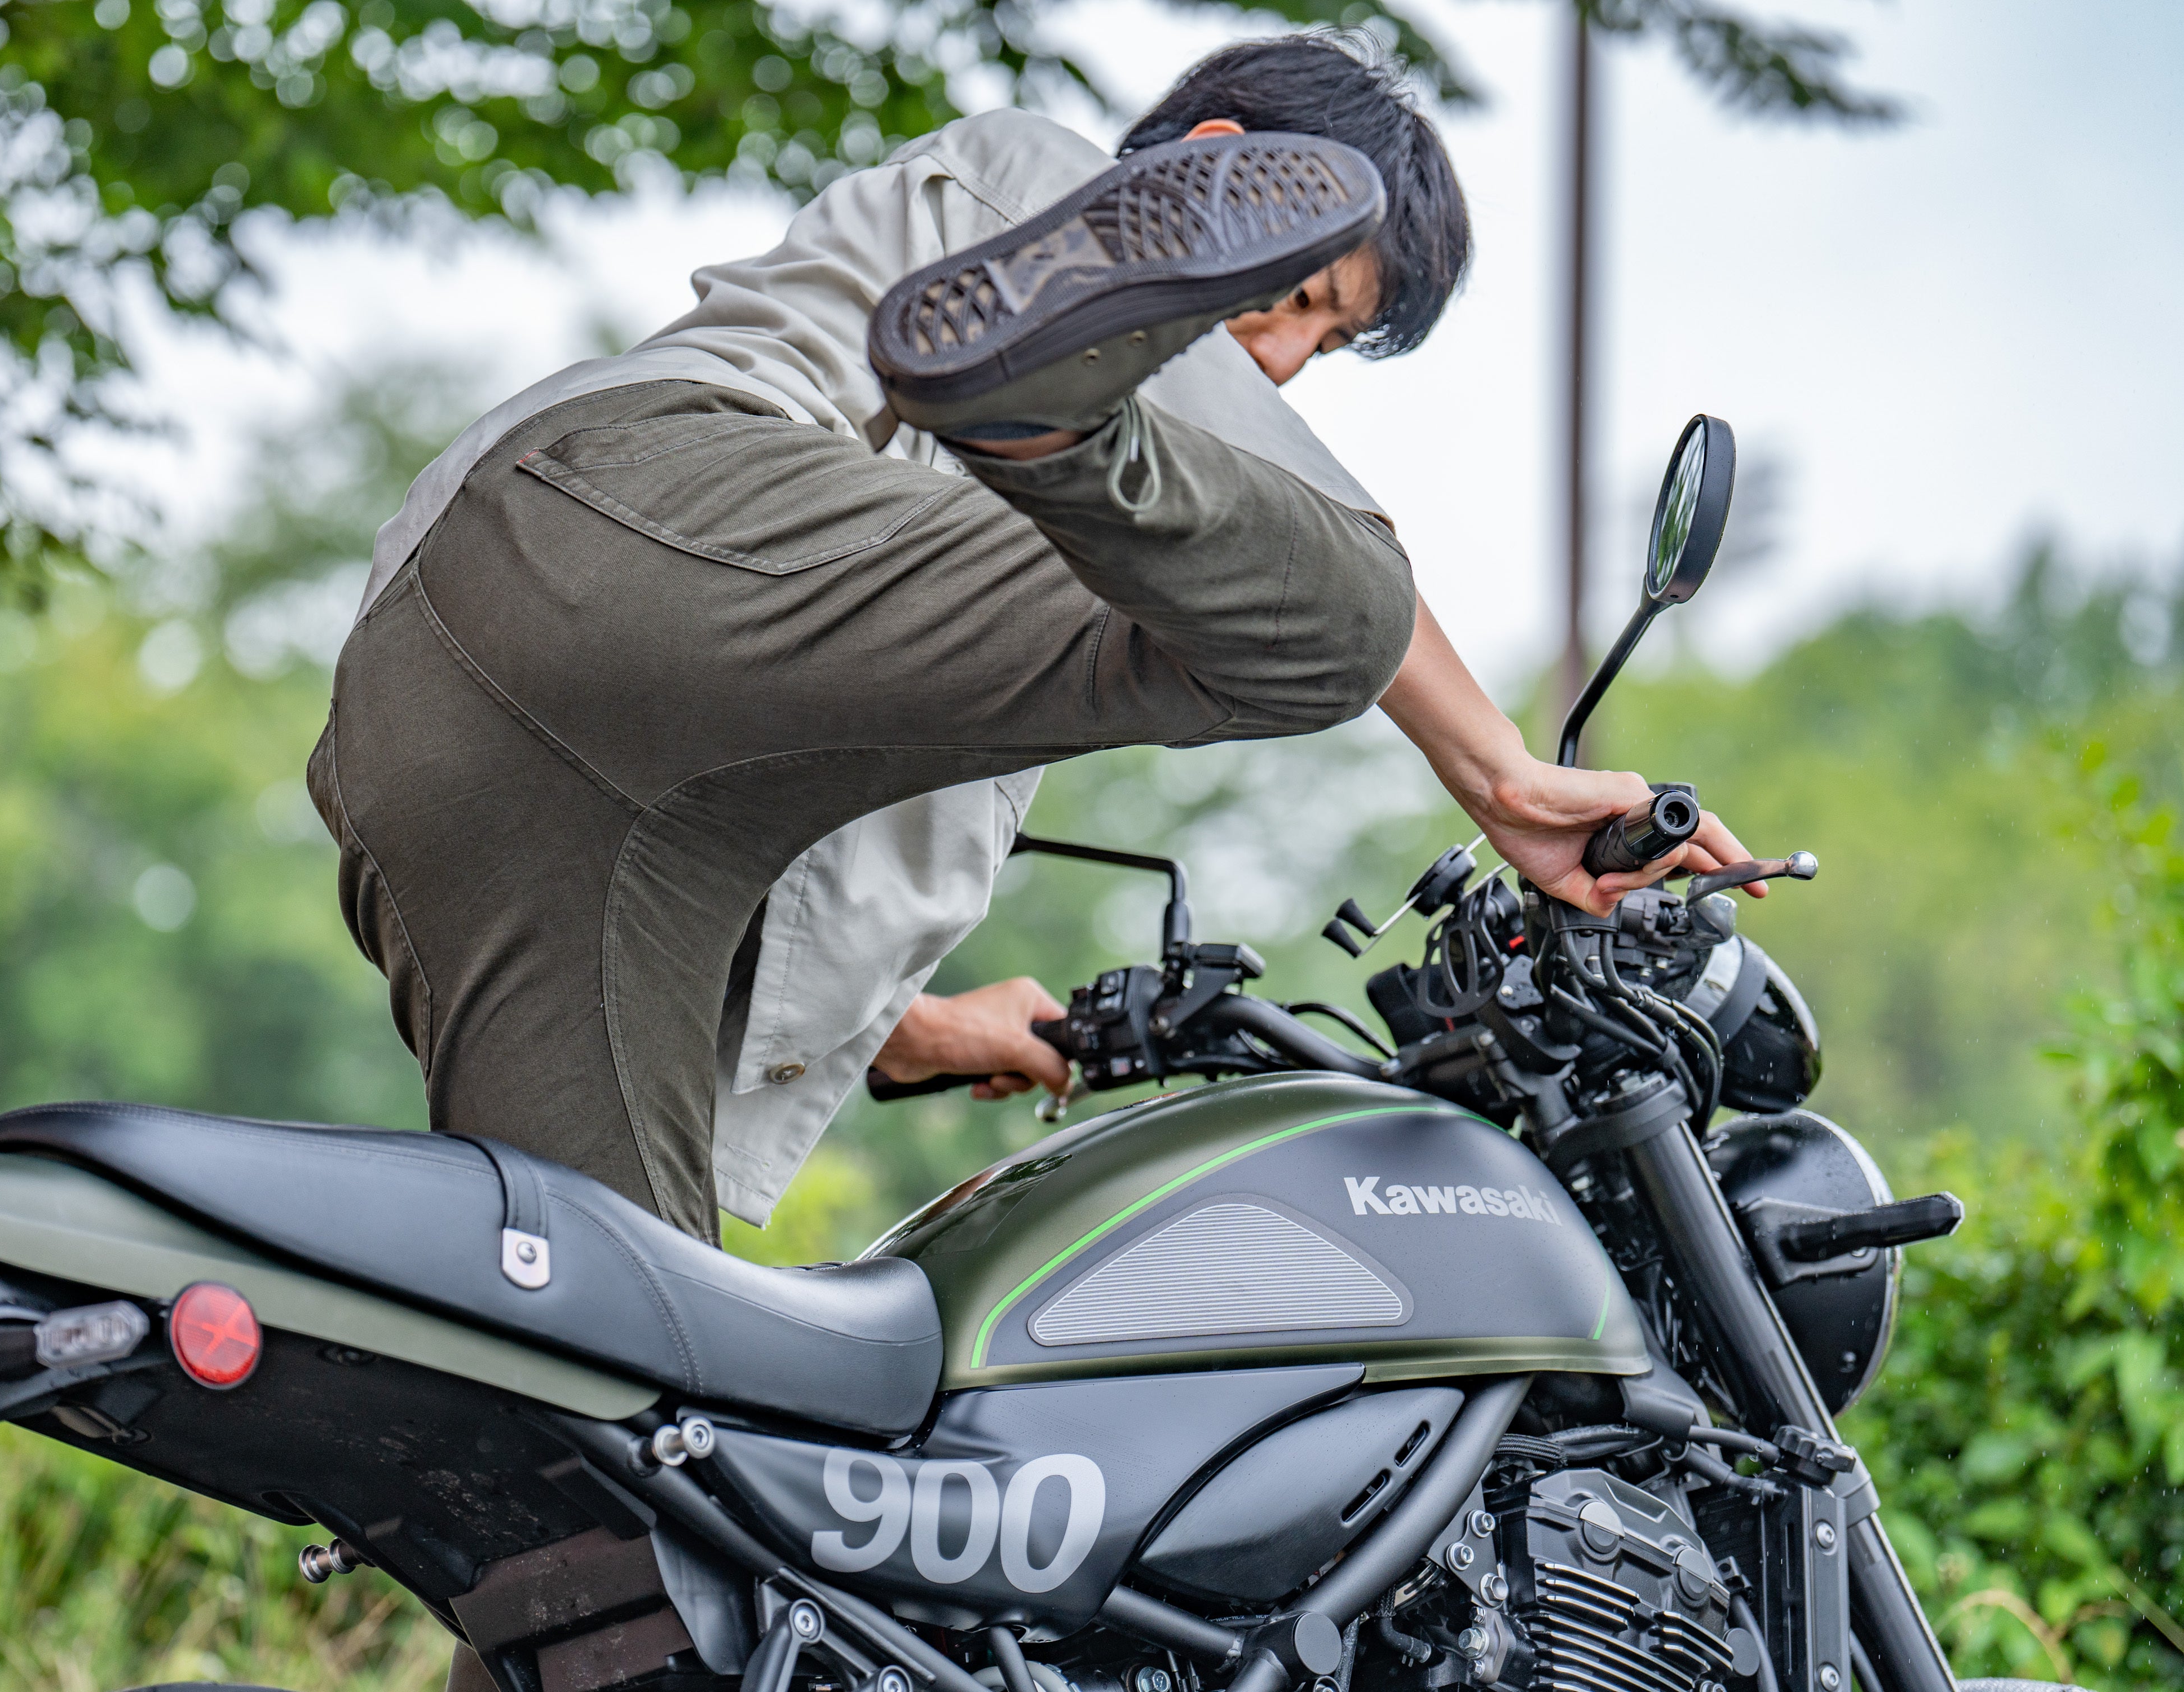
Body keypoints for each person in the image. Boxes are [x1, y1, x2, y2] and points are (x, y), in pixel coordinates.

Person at [311, 32, 1759, 1258]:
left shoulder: (1005, 584)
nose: (1276, 364)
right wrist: (1499, 772)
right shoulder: (1034, 175)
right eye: (1301, 301)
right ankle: (1043, 405)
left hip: (452, 751)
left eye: (1320, 351)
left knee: (612, 1367)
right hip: (617, 513)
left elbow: (786, 827)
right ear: (1214, 170)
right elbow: (1292, 568)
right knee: (1327, 611)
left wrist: (923, 1031)